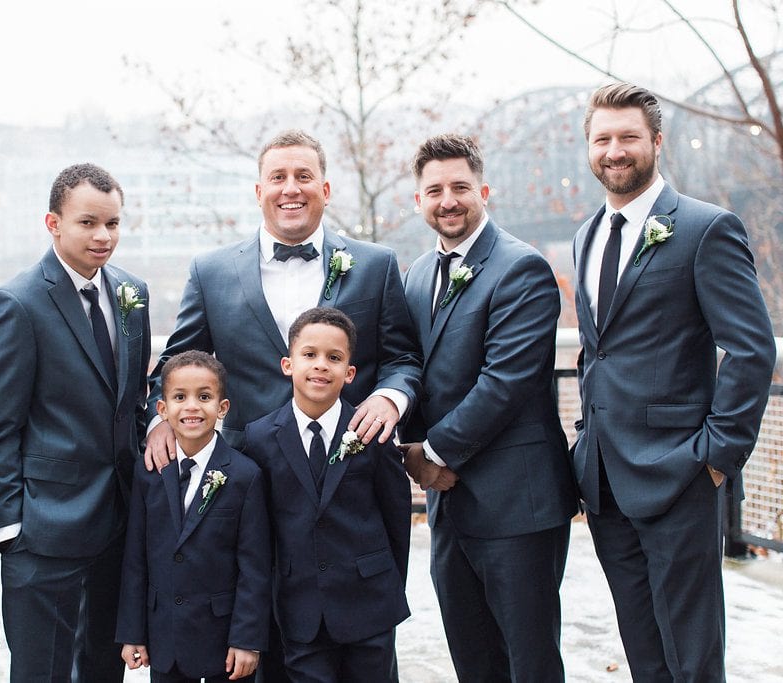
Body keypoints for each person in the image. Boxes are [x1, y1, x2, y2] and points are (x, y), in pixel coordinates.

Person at [146, 129, 420, 682]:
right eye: (278, 177)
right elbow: (179, 361)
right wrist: (159, 418)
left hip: (345, 488)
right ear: (258, 189)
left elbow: (402, 356)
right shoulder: (213, 270)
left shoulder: (374, 264)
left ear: (325, 187)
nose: (290, 189)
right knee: (261, 642)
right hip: (251, 481)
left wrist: (391, 396)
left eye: (302, 177)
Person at [573, 83, 775, 681]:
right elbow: (598, 352)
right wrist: (587, 439)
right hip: (606, 482)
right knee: (643, 652)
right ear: (588, 146)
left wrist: (718, 455)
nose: (615, 150)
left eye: (628, 136)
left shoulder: (705, 228)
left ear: (656, 142)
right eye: (602, 138)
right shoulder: (587, 236)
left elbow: (750, 347)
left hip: (681, 475)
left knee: (691, 656)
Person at [400, 134, 578, 681]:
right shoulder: (416, 275)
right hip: (450, 507)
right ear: (418, 201)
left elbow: (507, 382)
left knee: (529, 660)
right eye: (434, 190)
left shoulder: (520, 268)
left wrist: (429, 452)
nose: (448, 200)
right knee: (472, 657)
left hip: (517, 503)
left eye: (459, 187)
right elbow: (412, 369)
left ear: (484, 190)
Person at [0, 163, 150, 682]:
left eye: (113, 224)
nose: (103, 236)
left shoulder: (132, 294)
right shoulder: (18, 303)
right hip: (43, 527)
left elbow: (132, 399)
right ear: (53, 223)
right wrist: (9, 528)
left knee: (102, 665)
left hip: (119, 516)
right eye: (88, 222)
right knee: (42, 671)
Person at [243, 308, 411, 683]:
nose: (321, 366)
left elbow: (396, 517)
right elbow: (257, 531)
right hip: (298, 609)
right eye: (309, 355)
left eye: (334, 358)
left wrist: (385, 584)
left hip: (369, 603)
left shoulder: (372, 432)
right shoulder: (258, 437)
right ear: (288, 364)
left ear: (349, 373)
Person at [117, 350, 271, 683]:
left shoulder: (245, 475)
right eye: (179, 397)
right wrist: (133, 632)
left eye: (204, 396)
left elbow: (254, 567)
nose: (191, 406)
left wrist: (247, 640)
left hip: (224, 641)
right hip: (164, 637)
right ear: (162, 409)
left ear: (222, 408)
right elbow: (135, 559)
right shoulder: (148, 474)